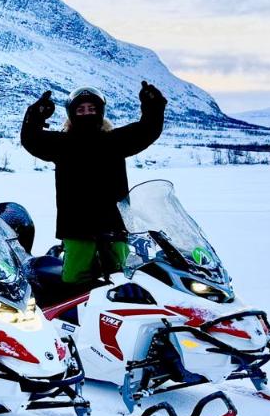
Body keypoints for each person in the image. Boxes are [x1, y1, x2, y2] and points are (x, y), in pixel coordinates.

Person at [20, 81, 167, 284]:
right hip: (76, 226)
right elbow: (31, 139)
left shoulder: (114, 141)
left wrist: (154, 105)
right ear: (71, 113)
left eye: (92, 108)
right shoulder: (62, 144)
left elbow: (147, 129)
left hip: (115, 224)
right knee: (74, 282)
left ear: (100, 111)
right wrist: (35, 115)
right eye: (80, 109)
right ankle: (70, 316)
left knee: (121, 282)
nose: (87, 113)